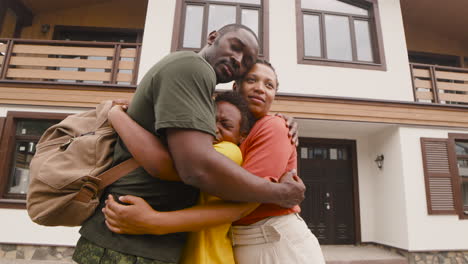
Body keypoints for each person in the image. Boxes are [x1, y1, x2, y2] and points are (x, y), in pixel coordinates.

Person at [73, 24, 305, 264]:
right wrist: (281, 192)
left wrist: (116, 114)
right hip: (127, 242)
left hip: (142, 239)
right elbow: (195, 168)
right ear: (212, 36)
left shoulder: (256, 124)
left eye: (246, 61)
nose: (237, 59)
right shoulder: (194, 69)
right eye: (235, 47)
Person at [103, 60, 326, 264]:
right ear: (235, 87)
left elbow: (246, 203)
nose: (260, 88)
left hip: (275, 240)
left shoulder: (272, 127)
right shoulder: (232, 134)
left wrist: (154, 221)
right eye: (252, 80)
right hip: (248, 240)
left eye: (270, 85)